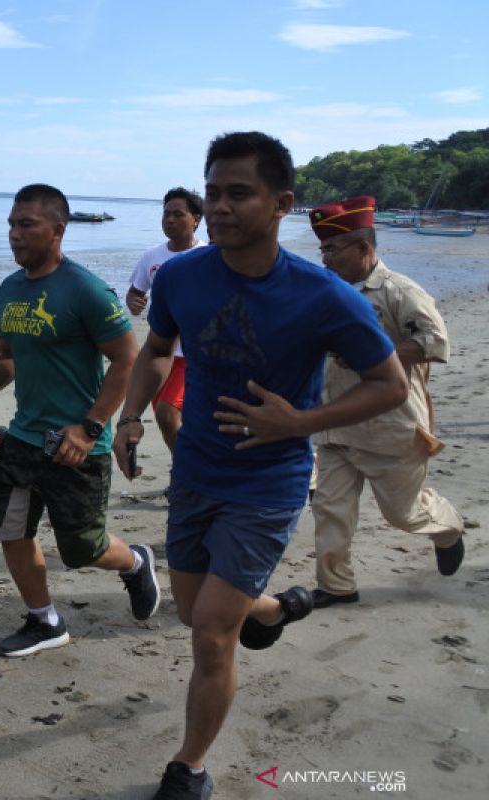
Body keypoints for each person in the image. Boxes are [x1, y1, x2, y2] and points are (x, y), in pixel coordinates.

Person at [112, 133, 407, 800]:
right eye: (212, 192)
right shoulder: (182, 275)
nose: (218, 207)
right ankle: (270, 610)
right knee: (196, 612)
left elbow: (387, 382)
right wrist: (130, 416)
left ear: (281, 205)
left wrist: (300, 422)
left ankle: (189, 767)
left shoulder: (324, 295)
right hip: (195, 470)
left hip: (268, 483)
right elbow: (157, 348)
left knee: (213, 634)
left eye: (237, 194)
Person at [0, 183, 161, 659]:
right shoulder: (10, 288)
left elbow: (128, 361)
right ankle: (45, 620)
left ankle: (135, 561)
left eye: (26, 225)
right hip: (24, 439)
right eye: (11, 224)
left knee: (84, 548)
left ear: (58, 230)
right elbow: (7, 358)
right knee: (12, 527)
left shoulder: (85, 290)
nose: (14, 234)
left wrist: (89, 428)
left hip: (77, 446)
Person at [308, 195, 464, 607]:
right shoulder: (328, 293)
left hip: (390, 425)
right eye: (322, 249)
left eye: (332, 249)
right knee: (330, 509)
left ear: (364, 248)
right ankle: (336, 586)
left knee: (404, 514)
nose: (325, 258)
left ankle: (447, 527)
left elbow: (434, 342)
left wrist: (377, 356)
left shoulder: (398, 291)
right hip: (335, 421)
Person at [124, 188, 208, 452]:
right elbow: (136, 292)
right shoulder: (152, 257)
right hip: (159, 353)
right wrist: (134, 302)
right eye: (166, 214)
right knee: (170, 419)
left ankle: (187, 471)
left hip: (194, 355)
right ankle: (186, 469)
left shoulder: (208, 256)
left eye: (177, 214)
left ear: (196, 218)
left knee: (166, 414)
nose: (169, 220)